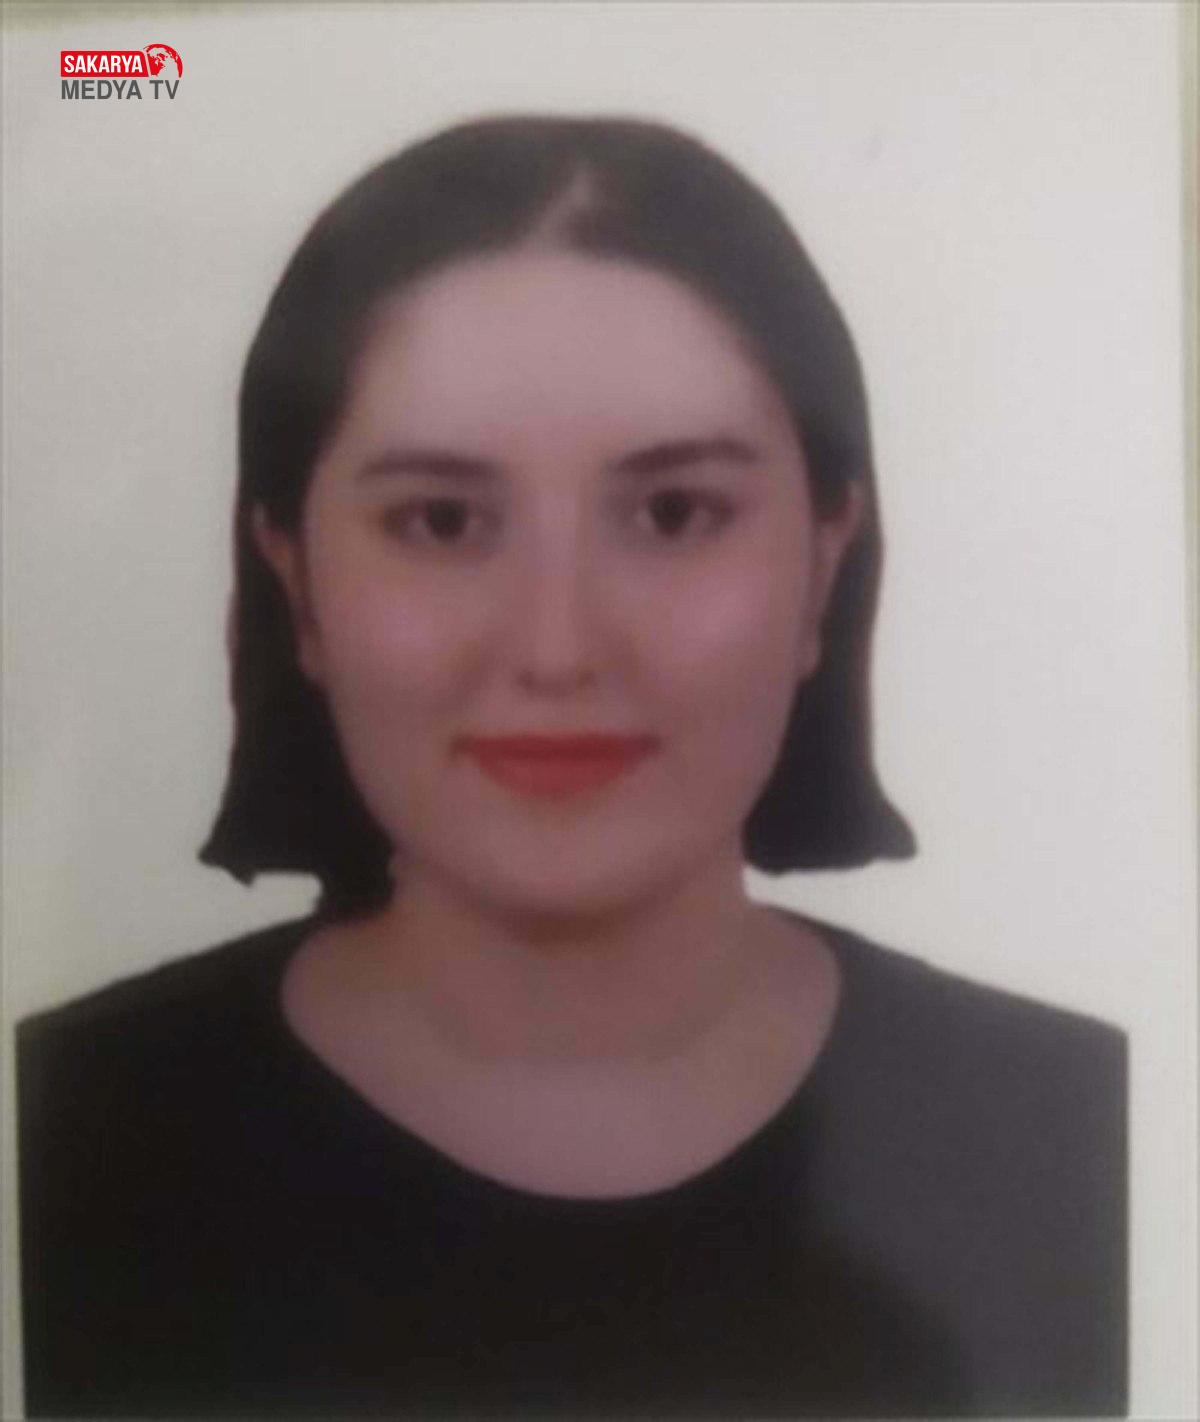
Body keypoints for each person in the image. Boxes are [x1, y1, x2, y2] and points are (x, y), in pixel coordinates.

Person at [17, 115, 1126, 1417]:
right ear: (296, 582)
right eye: (441, 521)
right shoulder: (59, 1136)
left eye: (674, 512)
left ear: (825, 563)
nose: (558, 647)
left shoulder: (1090, 1131)